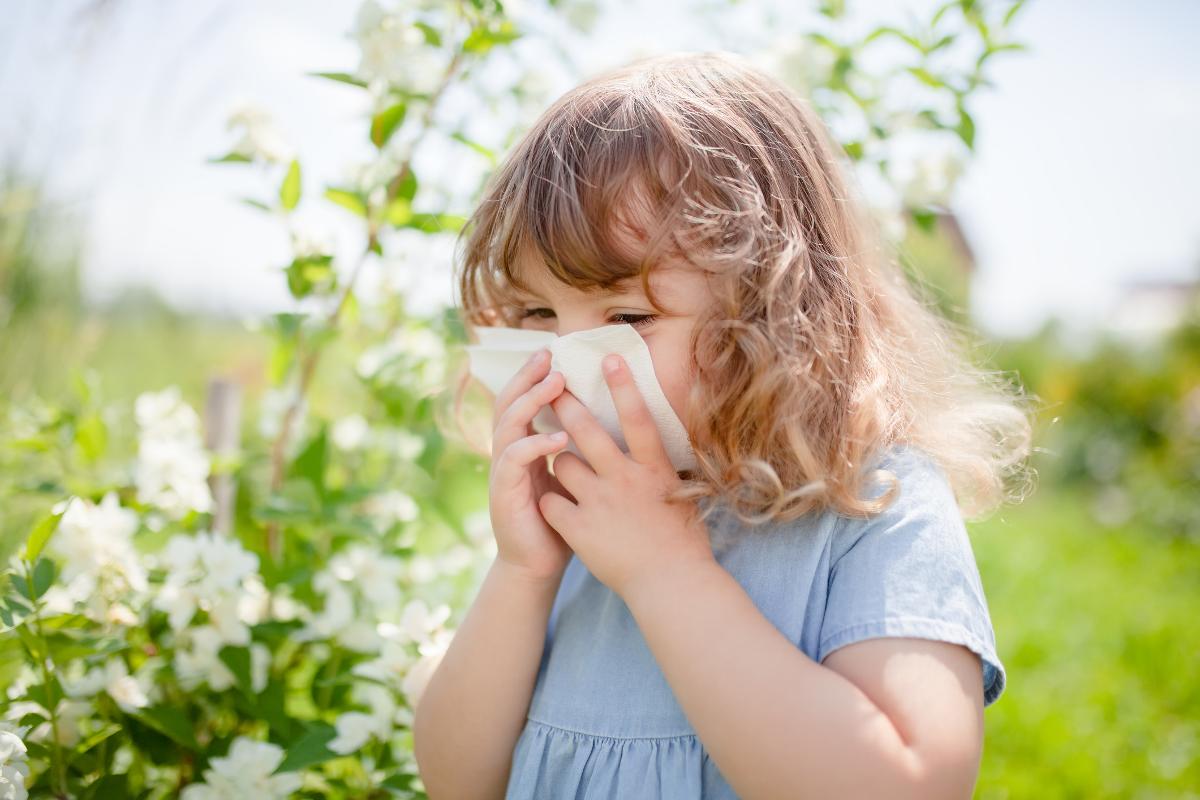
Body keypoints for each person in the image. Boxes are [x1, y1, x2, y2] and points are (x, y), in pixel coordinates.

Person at [413, 49, 1035, 799]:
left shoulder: (872, 505)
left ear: (775, 311)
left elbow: (911, 783)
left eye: (629, 316)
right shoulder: (577, 521)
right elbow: (456, 782)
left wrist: (667, 573)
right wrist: (524, 573)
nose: (568, 361)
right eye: (535, 314)